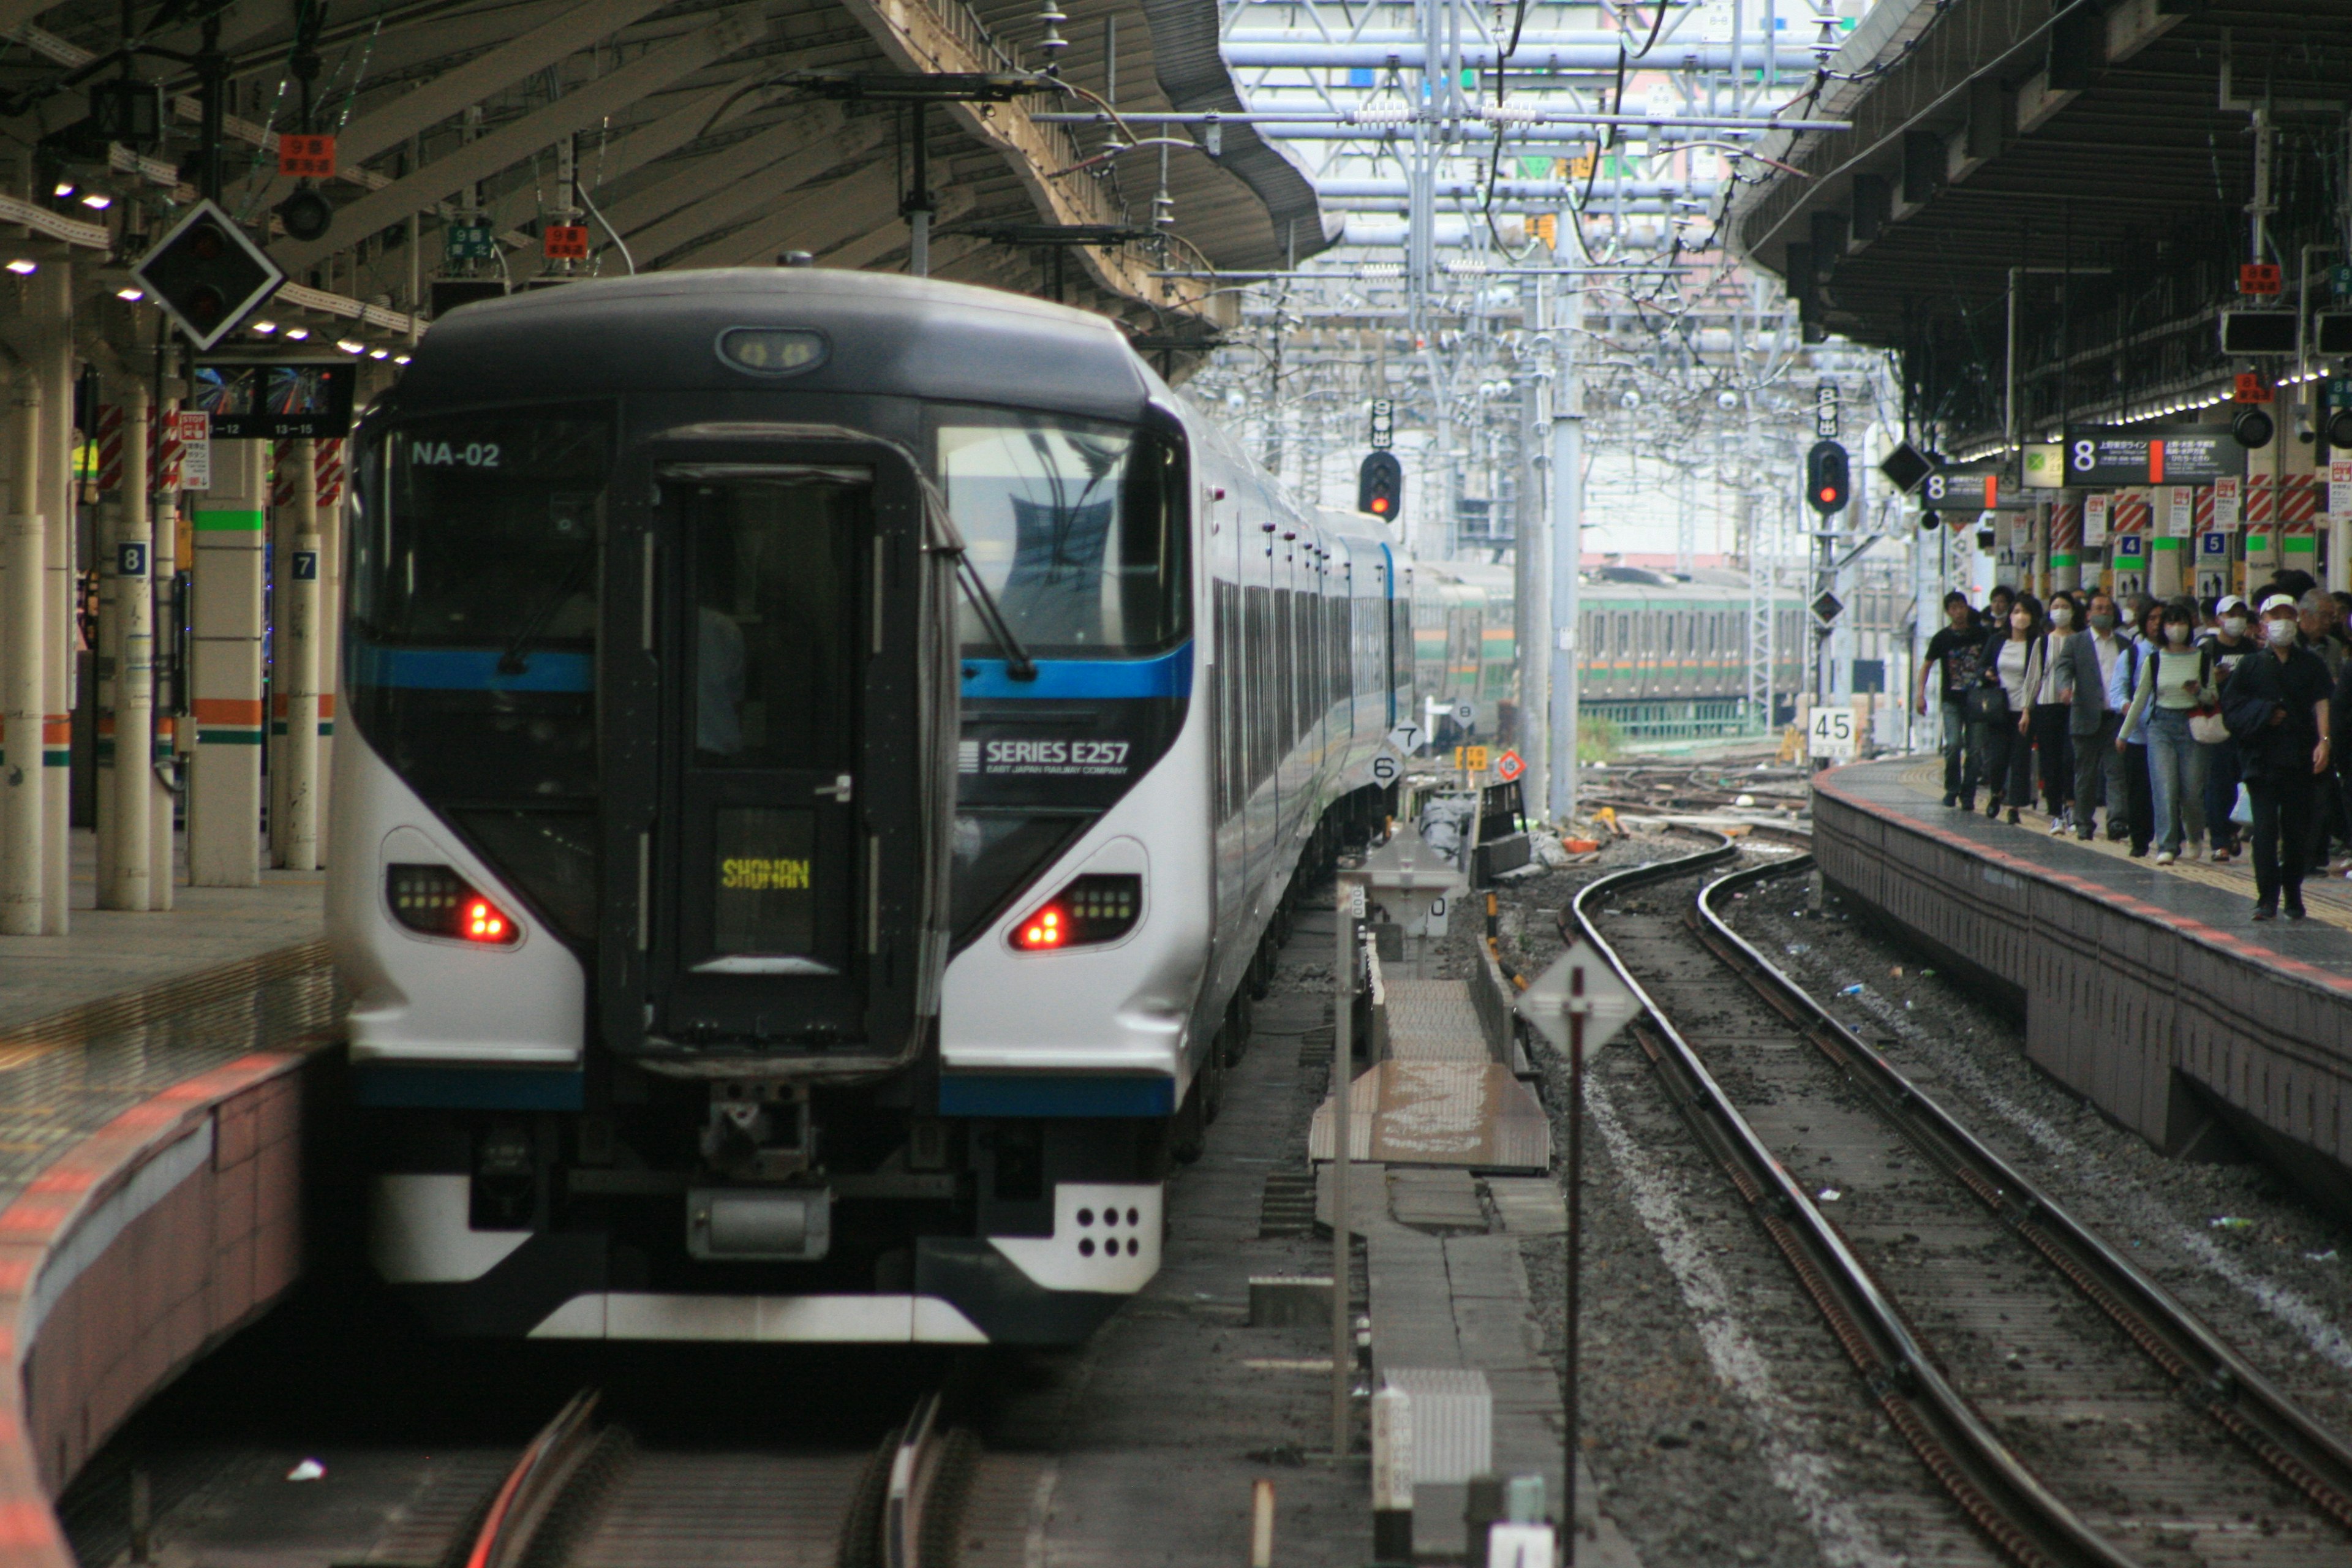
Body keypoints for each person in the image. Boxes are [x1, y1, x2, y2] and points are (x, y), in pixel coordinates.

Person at [2222, 594, 2335, 921]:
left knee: (2298, 832)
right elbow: (2232, 710)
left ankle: (2294, 893)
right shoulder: (2251, 666)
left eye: (2288, 615)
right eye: (2275, 616)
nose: (2282, 622)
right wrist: (2263, 714)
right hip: (2262, 760)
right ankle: (2266, 897)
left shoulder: (2311, 663)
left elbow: (2321, 702)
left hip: (2300, 759)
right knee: (2266, 832)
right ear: (2262, 624)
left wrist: (2324, 742)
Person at [2120, 595, 2216, 864]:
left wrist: (2199, 692)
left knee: (2192, 791)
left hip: (2192, 727)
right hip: (2160, 727)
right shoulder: (2155, 660)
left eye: (2181, 621)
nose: (2176, 627)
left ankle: (2195, 834)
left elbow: (2212, 697)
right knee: (2165, 787)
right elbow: (2141, 698)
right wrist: (2124, 734)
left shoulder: (2202, 659)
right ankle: (2167, 845)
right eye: (2171, 622)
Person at [2057, 589, 2133, 841]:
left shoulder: (2124, 644)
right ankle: (2083, 822)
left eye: (2108, 609)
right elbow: (2064, 668)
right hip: (2086, 716)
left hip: (2115, 718)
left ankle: (2118, 822)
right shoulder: (2076, 642)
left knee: (2116, 772)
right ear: (2088, 614)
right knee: (2086, 774)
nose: (2104, 613)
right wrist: (2066, 687)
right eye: (2099, 608)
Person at [1974, 592, 2043, 824]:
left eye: (2025, 612)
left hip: (2025, 709)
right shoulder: (1997, 641)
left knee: (2020, 758)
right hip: (1999, 708)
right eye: (2016, 612)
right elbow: (1982, 665)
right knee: (1997, 757)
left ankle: (2014, 805)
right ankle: (1996, 793)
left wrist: (2028, 709)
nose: (2020, 617)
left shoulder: (2037, 645)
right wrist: (1987, 673)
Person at [2200, 595, 2258, 862]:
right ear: (2219, 619)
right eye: (2230, 614)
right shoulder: (2207, 650)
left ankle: (2236, 829)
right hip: (2218, 724)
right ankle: (2220, 839)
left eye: (2240, 614)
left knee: (2245, 779)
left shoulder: (2252, 649)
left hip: (2246, 724)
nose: (2236, 620)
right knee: (2218, 782)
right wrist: (2212, 680)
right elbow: (2196, 688)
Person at [2104, 595, 2161, 856]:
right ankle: (2140, 839)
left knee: (2168, 788)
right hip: (2139, 734)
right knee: (2139, 789)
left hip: (2172, 733)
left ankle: (2168, 837)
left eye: (2164, 618)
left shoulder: (2186, 654)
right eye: (2152, 618)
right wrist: (2130, 709)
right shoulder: (2133, 655)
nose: (2159, 624)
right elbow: (2117, 693)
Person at [1917, 591, 1983, 809]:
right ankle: (1952, 788)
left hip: (1977, 701)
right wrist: (1920, 694)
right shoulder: (1942, 638)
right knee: (1954, 744)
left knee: (1974, 749)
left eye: (1961, 607)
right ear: (1948, 612)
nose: (1958, 612)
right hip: (1951, 700)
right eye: (1953, 608)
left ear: (1967, 607)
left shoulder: (1981, 635)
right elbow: (1926, 665)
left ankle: (1968, 794)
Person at [2027, 590, 2081, 831]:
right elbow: (2034, 677)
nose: (2060, 610)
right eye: (2056, 606)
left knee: (2071, 758)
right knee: (2050, 760)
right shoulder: (2043, 642)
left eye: (2065, 606)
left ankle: (2071, 806)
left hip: (2075, 705)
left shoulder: (2081, 640)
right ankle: (2056, 812)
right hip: (2046, 705)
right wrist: (2027, 710)